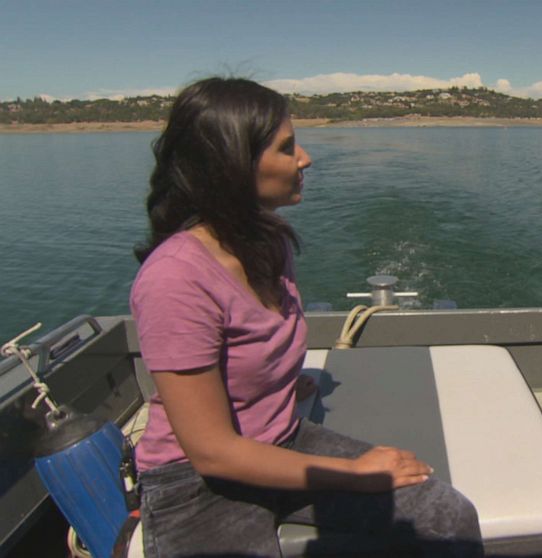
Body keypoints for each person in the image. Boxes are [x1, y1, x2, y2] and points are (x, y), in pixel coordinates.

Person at [130, 77, 482, 557]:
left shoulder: (267, 242)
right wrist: (355, 474)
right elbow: (211, 452)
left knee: (449, 517)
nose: (305, 158)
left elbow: (248, 351)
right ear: (231, 166)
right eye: (286, 147)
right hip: (197, 484)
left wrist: (271, 386)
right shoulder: (175, 278)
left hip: (281, 438)